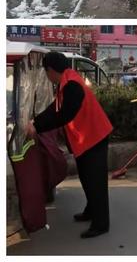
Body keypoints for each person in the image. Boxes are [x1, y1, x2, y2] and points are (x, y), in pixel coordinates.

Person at [25, 52, 113, 239]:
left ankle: (101, 224)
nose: (46, 76)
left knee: (95, 182)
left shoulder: (72, 85)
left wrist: (37, 127)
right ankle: (91, 211)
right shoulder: (66, 82)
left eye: (45, 71)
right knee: (87, 179)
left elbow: (65, 115)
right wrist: (36, 121)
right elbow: (55, 108)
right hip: (86, 139)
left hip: (94, 137)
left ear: (51, 70)